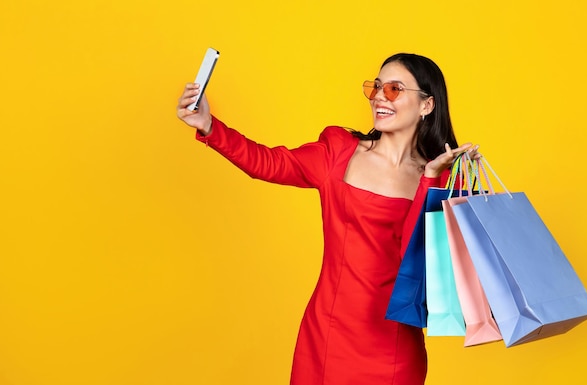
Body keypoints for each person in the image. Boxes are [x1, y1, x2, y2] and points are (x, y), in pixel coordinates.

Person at [177, 53, 478, 385]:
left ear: (427, 105)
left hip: (394, 347)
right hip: (327, 337)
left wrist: (432, 179)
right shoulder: (339, 151)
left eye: (394, 89)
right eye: (376, 87)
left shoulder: (444, 178)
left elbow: (419, 262)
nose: (379, 96)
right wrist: (209, 125)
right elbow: (270, 163)